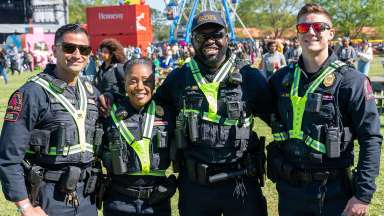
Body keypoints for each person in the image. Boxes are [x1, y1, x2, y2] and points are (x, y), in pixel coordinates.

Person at [268, 4, 382, 216]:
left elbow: (370, 138)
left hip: (334, 192)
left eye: (319, 27)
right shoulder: (281, 79)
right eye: (304, 28)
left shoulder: (351, 81)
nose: (311, 32)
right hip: (290, 190)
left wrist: (363, 195)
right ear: (297, 33)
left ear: (331, 33)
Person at [155, 11, 271, 216]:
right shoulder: (178, 78)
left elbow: (278, 117)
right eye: (202, 36)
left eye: (216, 34)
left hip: (241, 181)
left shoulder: (249, 77)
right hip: (195, 185)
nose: (210, 41)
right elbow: (154, 110)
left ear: (227, 37)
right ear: (192, 40)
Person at [0, 24, 102, 216]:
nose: (77, 54)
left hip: (87, 197)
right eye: (69, 48)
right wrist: (25, 206)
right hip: (47, 197)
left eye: (84, 49)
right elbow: (8, 155)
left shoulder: (91, 92)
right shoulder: (31, 93)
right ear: (54, 49)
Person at [101, 58, 176, 216]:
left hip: (157, 203)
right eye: (133, 81)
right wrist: (109, 95)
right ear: (124, 82)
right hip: (118, 202)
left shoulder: (169, 113)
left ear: (155, 82)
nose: (140, 87)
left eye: (146, 81)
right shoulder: (108, 112)